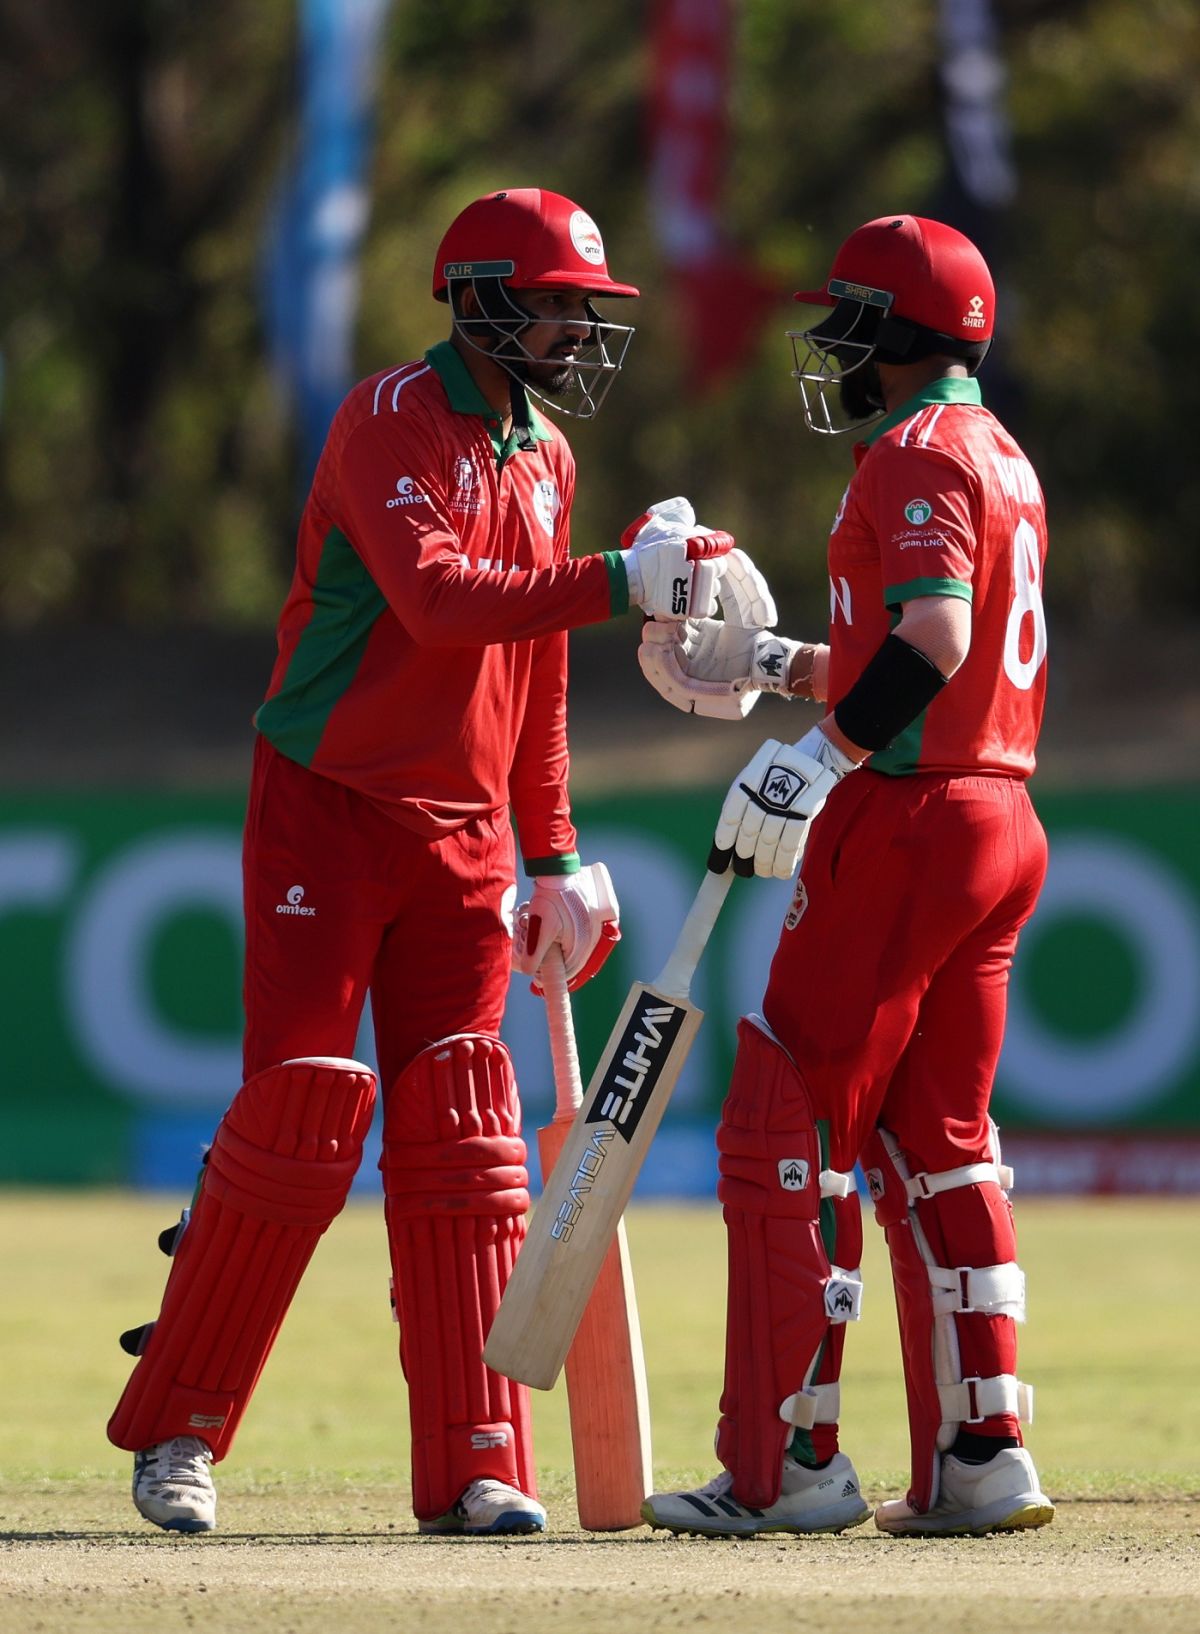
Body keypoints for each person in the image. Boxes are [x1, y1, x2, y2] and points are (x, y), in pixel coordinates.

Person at [107, 186, 733, 1538]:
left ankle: (475, 1458)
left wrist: (554, 854)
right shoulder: (390, 417)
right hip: (327, 809)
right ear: (484, 298)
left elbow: (536, 671)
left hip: (466, 840)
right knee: (300, 1119)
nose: (578, 326)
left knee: (464, 1133)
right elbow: (444, 603)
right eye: (561, 301)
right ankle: (179, 1434)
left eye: (588, 307)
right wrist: (627, 576)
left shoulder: (547, 453)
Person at [637, 214, 1053, 1538]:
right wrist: (769, 670)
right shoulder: (998, 450)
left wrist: (817, 758)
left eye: (850, 327)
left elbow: (932, 635)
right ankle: (984, 1454)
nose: (836, 352)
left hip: (911, 823)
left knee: (789, 1126)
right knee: (941, 1149)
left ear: (901, 335)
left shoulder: (917, 452)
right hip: (999, 814)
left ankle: (785, 1465)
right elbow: (921, 654)